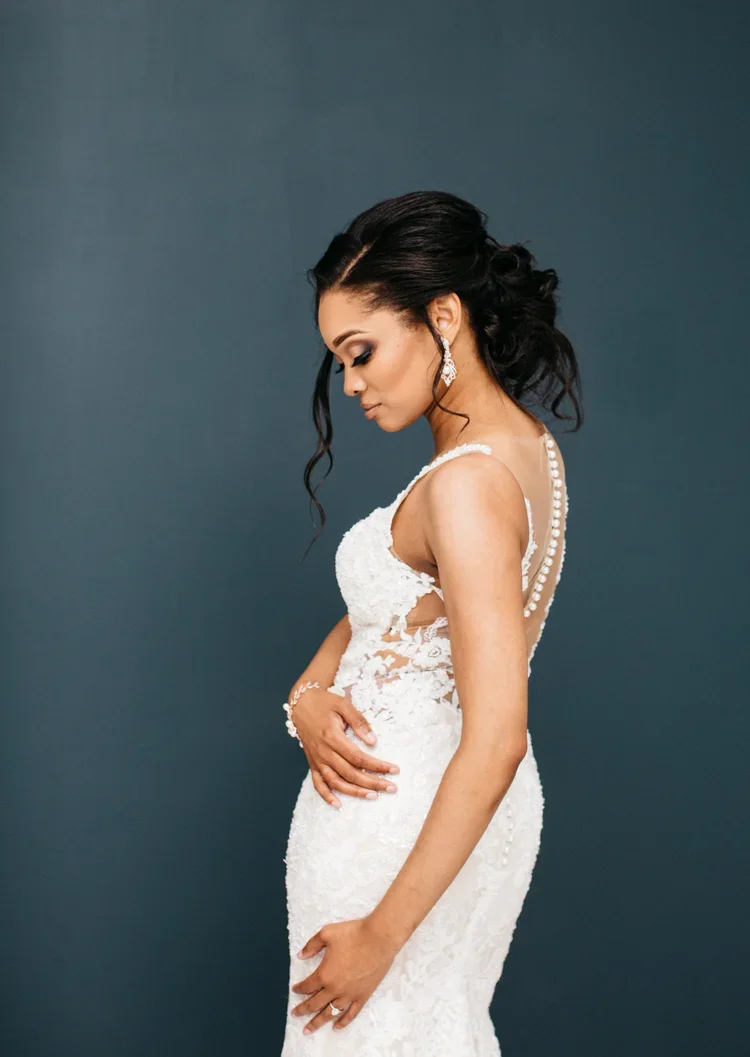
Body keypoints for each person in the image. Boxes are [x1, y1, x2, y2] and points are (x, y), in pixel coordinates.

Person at [280, 190, 583, 1055]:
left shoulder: (464, 485)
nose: (351, 382)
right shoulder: (516, 451)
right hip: (436, 817)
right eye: (340, 360)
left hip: (406, 829)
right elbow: (395, 612)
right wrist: (307, 692)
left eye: (362, 350)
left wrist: (380, 935)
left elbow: (496, 738)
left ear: (441, 315)